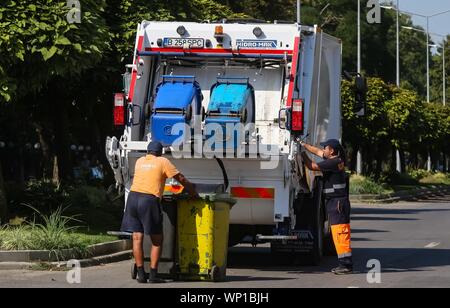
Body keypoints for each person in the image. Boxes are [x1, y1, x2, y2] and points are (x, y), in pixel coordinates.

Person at [121, 141, 198, 283]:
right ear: (160, 152)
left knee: (137, 238)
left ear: (148, 152)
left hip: (133, 198)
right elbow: (180, 178)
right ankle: (153, 275)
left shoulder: (139, 161)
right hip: (149, 200)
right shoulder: (163, 161)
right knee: (157, 240)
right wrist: (193, 192)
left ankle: (141, 274)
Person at [299, 138, 353, 275]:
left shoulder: (333, 162)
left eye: (326, 148)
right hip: (337, 202)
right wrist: (304, 145)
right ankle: (345, 263)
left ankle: (345, 264)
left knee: (340, 233)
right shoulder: (336, 159)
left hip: (337, 203)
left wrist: (301, 154)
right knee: (339, 233)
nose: (323, 150)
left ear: (332, 151)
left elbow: (312, 166)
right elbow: (317, 151)